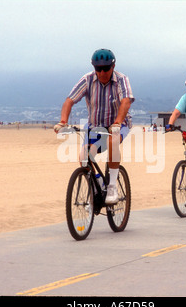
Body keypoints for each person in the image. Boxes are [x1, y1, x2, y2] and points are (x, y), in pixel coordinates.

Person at [54, 49, 134, 204]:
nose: (102, 72)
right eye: (98, 69)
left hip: (118, 124)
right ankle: (97, 184)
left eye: (106, 68)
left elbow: (126, 101)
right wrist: (63, 121)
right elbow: (69, 101)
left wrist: (117, 122)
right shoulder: (88, 80)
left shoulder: (121, 79)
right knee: (84, 157)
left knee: (112, 141)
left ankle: (111, 186)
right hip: (95, 126)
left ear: (113, 66)